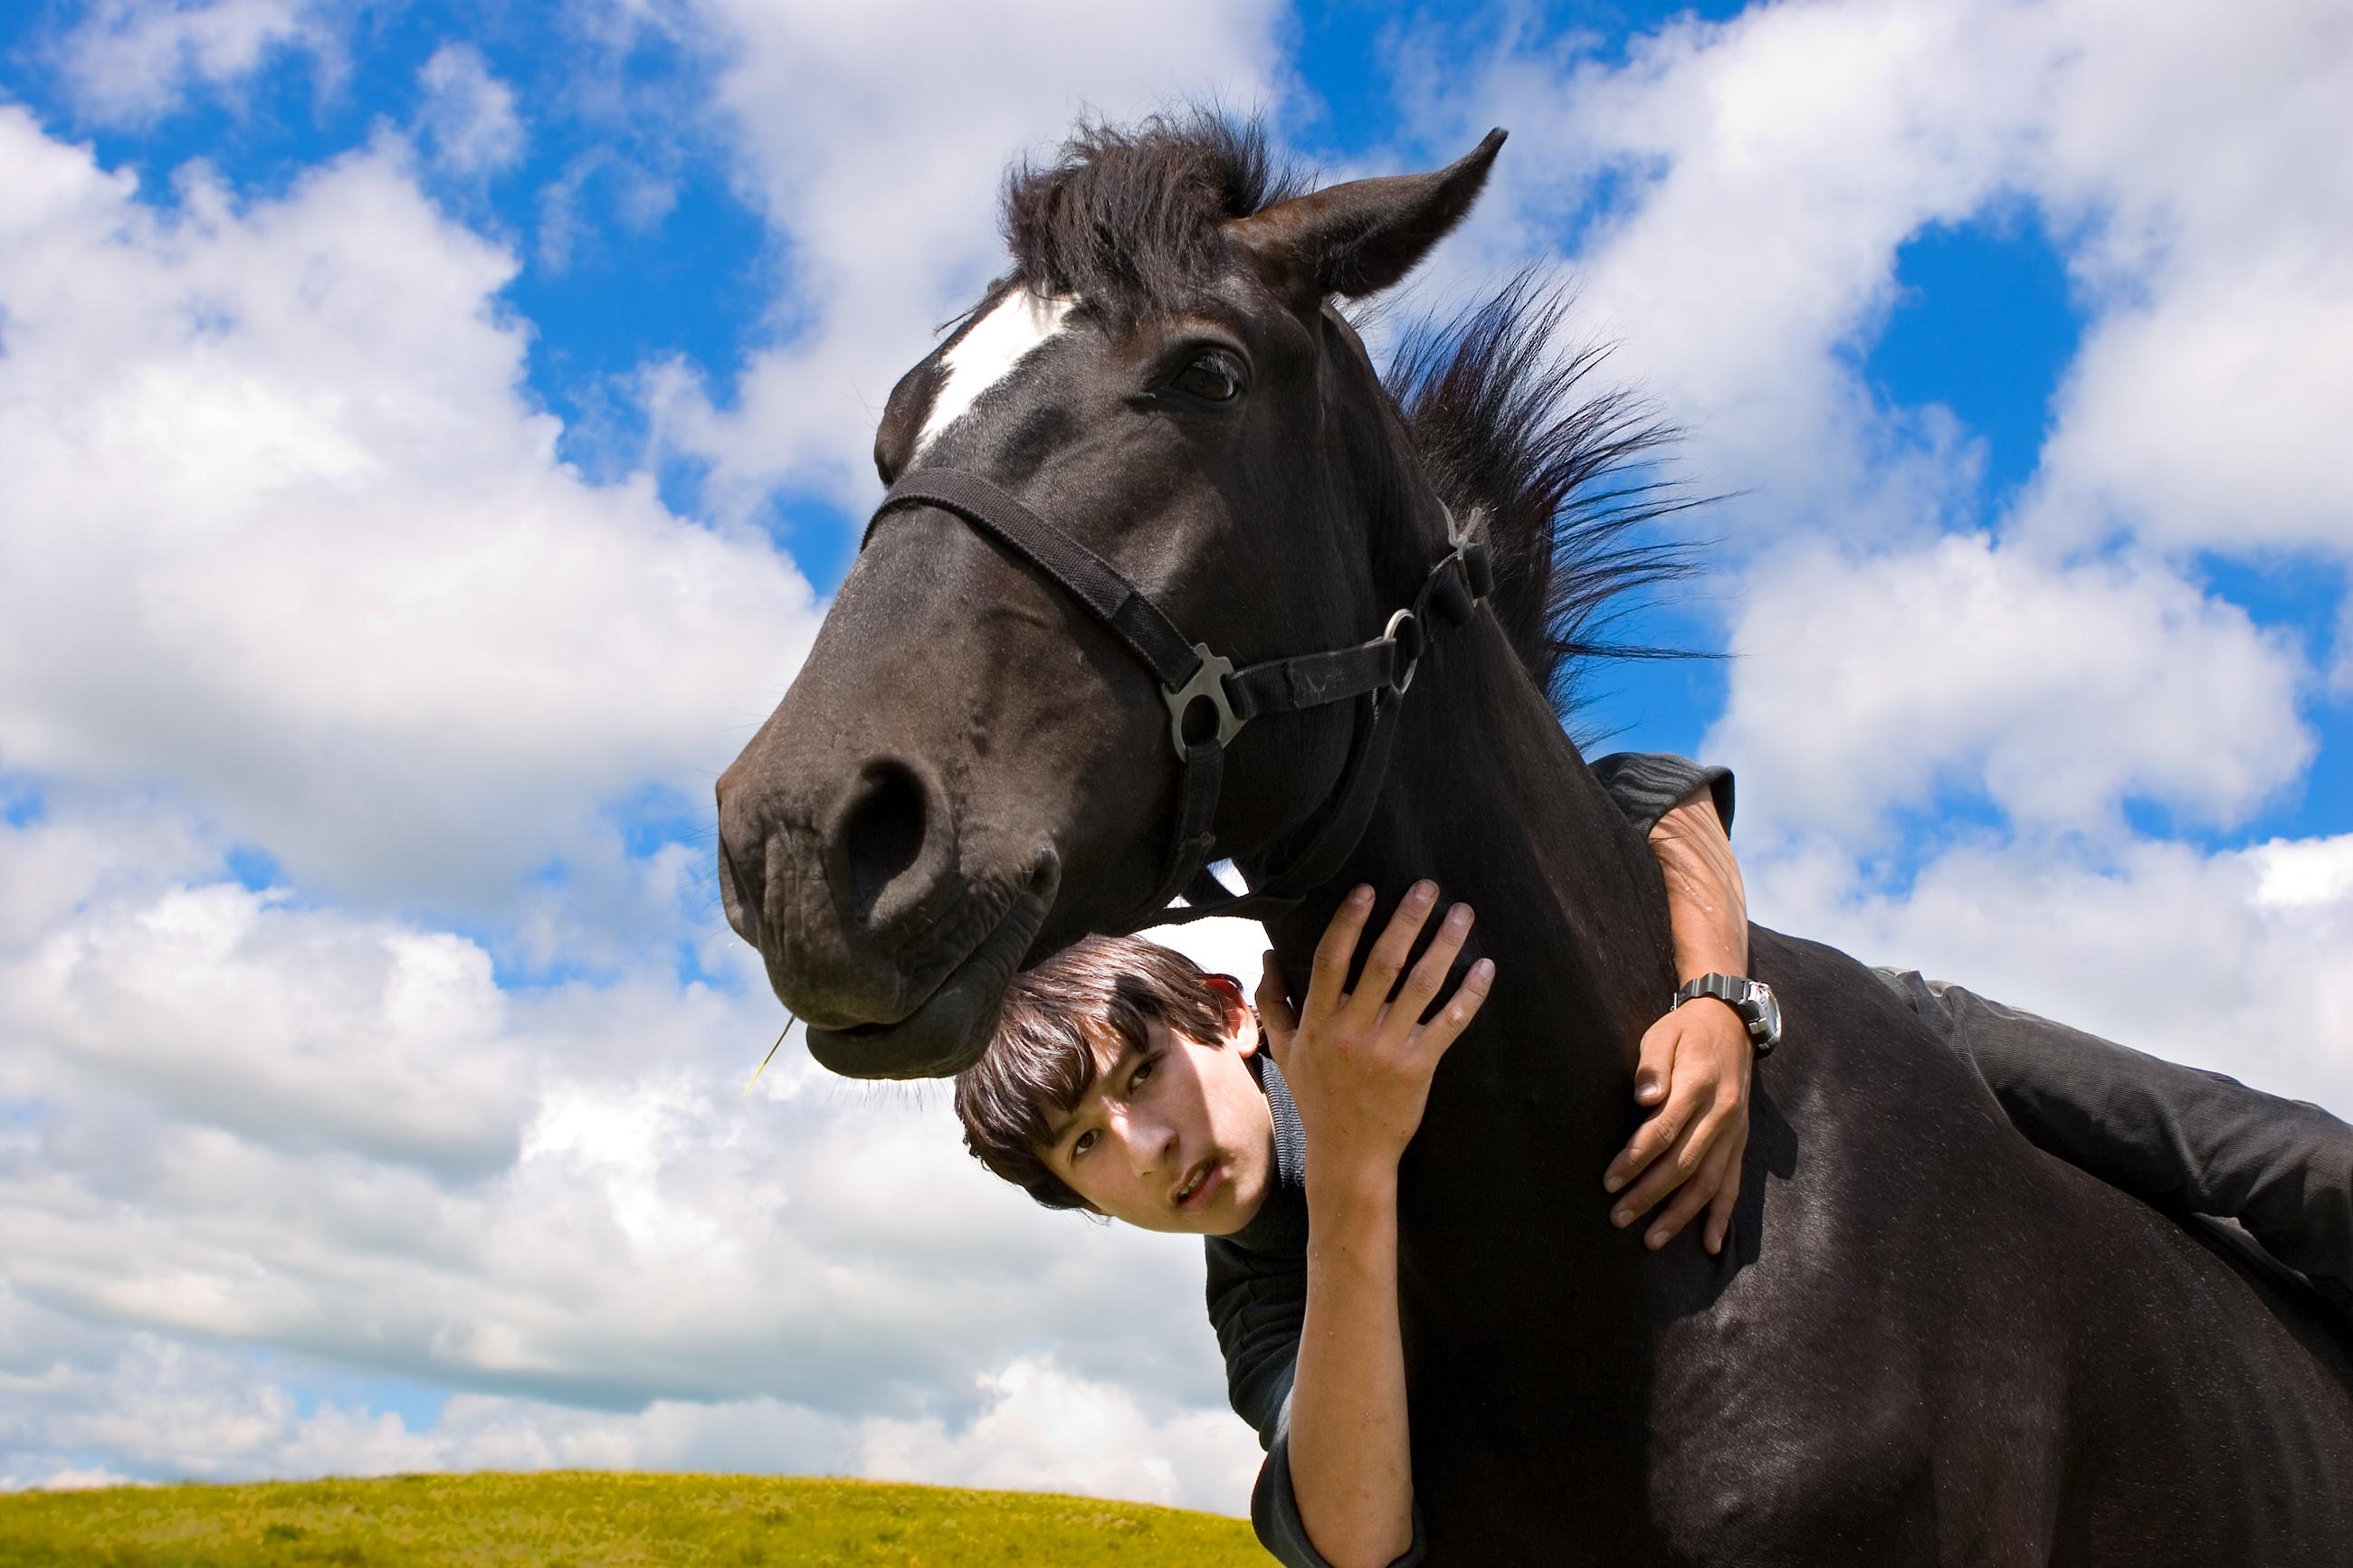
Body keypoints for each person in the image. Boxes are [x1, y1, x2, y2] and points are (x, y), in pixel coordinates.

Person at [952, 755, 2353, 1568]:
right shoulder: (1259, 1283)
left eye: (1142, 1076)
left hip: (1900, 1044)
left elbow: (1658, 793)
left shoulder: (1368, 955)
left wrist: (1715, 999)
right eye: (1089, 1148)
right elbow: (1357, 1540)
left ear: (1223, 1009)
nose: (1147, 1144)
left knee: (2275, 1160)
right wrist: (1361, 1172)